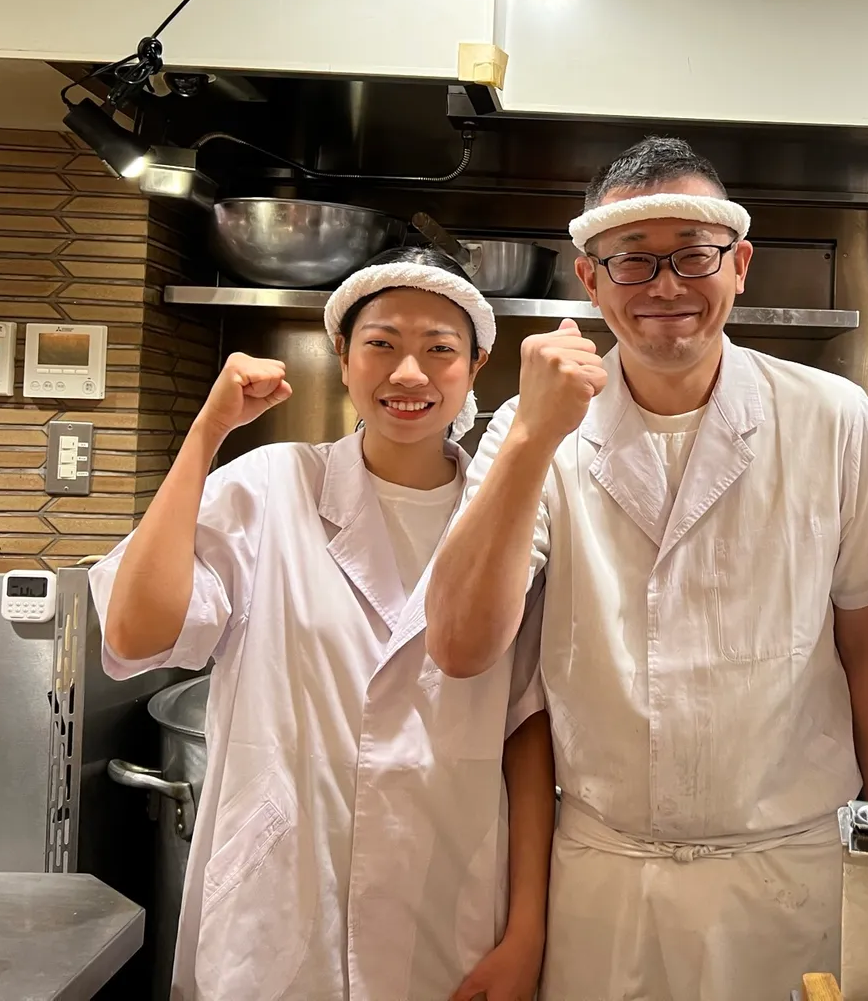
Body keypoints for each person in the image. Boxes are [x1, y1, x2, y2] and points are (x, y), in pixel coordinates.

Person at [424, 136, 868, 1000]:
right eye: (633, 263)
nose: (666, 288)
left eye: (694, 256)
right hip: (606, 879)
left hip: (792, 873)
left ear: (742, 264)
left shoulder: (832, 420)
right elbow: (462, 646)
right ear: (589, 280)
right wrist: (535, 435)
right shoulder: (529, 431)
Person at [90, 246, 554, 1001]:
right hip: (280, 908)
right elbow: (136, 633)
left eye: (440, 349)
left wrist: (526, 933)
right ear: (342, 356)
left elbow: (528, 733)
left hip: (449, 905)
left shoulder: (511, 517)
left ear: (477, 365)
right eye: (382, 344)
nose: (409, 374)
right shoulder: (271, 486)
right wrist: (209, 431)